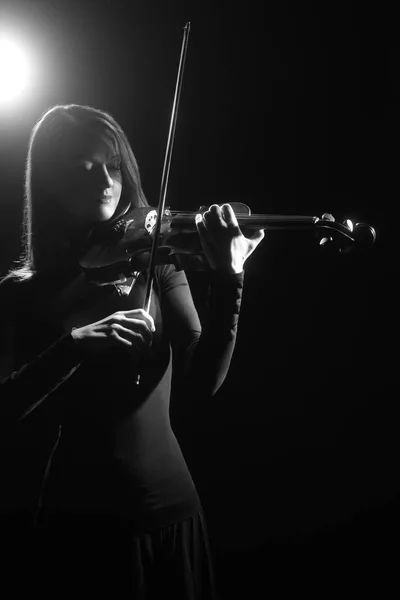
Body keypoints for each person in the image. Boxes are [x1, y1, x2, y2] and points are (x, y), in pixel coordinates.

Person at [0, 104, 264, 598]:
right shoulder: (22, 293)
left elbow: (202, 382)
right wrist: (73, 346)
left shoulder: (155, 261)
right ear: (51, 181)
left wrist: (231, 278)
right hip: (81, 527)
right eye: (85, 167)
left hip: (175, 512)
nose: (105, 179)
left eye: (114, 165)